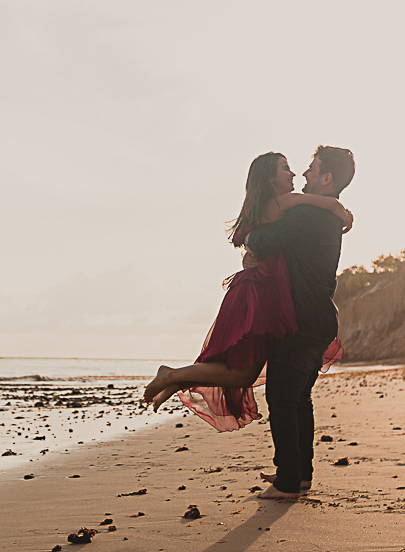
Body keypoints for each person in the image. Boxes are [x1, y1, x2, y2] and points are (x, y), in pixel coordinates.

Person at [141, 152, 352, 431]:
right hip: (257, 294)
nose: (295, 174)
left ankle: (175, 378)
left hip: (265, 293)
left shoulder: (281, 208)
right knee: (242, 371)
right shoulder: (281, 204)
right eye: (286, 169)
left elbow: (268, 238)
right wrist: (338, 208)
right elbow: (304, 204)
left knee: (242, 372)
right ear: (270, 179)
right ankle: (172, 376)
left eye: (301, 169)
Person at [243, 145, 355, 500]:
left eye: (311, 169)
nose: (304, 175)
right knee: (299, 399)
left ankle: (289, 479)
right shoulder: (326, 214)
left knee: (282, 399)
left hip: (301, 322)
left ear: (326, 178)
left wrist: (248, 240)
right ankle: (300, 474)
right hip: (319, 319)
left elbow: (261, 238)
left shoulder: (308, 216)